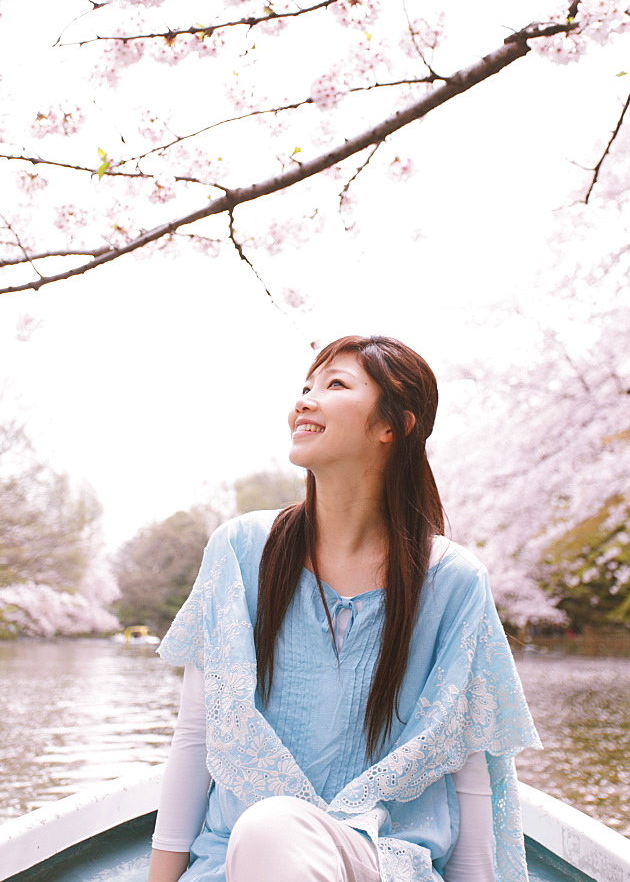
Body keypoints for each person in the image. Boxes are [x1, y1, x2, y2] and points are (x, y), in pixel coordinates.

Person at [147, 335, 540, 882]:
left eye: (334, 385)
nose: (304, 401)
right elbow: (196, 734)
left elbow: (467, 767)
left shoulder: (451, 580)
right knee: (265, 830)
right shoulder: (240, 550)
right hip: (235, 860)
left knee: (272, 826)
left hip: (380, 862)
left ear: (393, 426)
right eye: (305, 387)